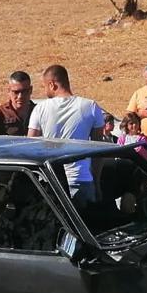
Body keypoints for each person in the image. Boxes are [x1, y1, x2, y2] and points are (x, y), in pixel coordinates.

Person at [26, 65, 106, 198]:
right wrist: (97, 182)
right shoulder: (90, 106)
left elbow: (30, 146)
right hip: (82, 179)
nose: (45, 90)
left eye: (45, 86)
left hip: (51, 180)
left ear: (52, 84)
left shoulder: (40, 109)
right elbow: (99, 150)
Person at [0, 71, 34, 136]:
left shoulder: (40, 112)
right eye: (16, 92)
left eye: (24, 91)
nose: (20, 96)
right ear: (9, 91)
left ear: (30, 90)